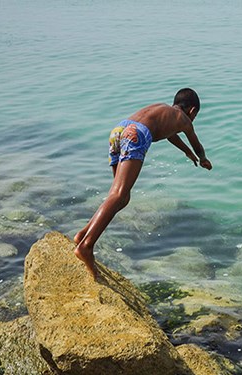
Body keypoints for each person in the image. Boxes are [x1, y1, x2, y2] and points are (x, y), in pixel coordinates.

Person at [73, 88, 212, 280]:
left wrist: (186, 152)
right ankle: (86, 246)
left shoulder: (163, 110)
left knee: (118, 196)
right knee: (120, 195)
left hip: (119, 130)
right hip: (136, 134)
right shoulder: (184, 119)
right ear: (192, 110)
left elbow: (171, 135)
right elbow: (197, 143)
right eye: (195, 116)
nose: (193, 120)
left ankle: (82, 234)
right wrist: (202, 158)